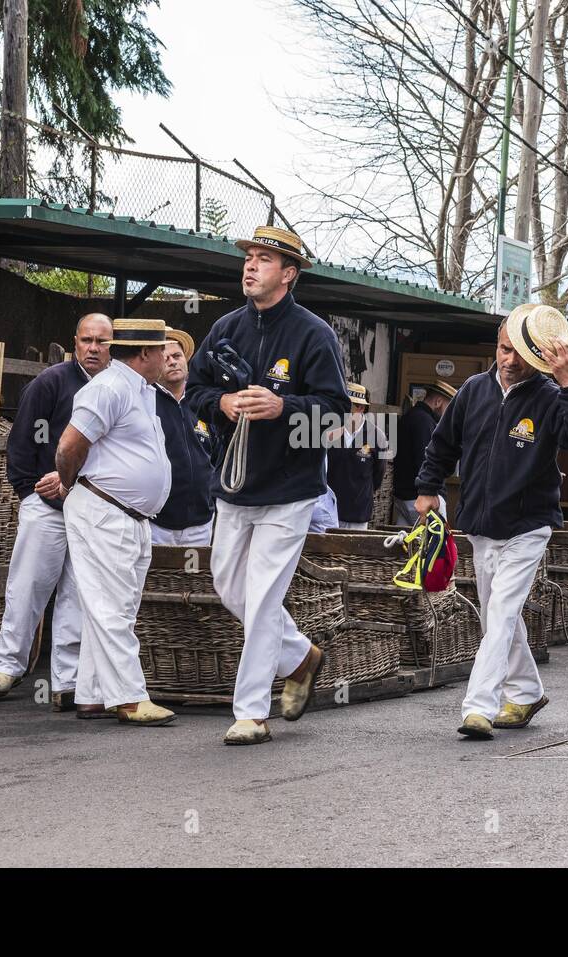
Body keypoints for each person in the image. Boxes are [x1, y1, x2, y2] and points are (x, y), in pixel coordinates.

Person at [186, 225, 350, 745]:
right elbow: (193, 391)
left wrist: (285, 407)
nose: (250, 266)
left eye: (263, 259)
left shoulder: (313, 334)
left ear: (289, 274)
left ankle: (250, 712)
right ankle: (301, 656)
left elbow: (336, 410)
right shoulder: (225, 328)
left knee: (260, 598)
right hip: (234, 485)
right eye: (249, 257)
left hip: (292, 488)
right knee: (228, 586)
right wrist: (223, 404)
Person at [414, 303, 568, 740]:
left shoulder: (553, 396)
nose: (508, 359)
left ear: (536, 356)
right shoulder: (473, 391)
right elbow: (442, 445)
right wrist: (427, 487)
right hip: (481, 523)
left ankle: (478, 706)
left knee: (499, 613)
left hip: (529, 524)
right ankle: (527, 690)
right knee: (498, 616)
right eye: (503, 349)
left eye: (518, 352)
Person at [0, 314, 114, 713]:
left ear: (114, 346)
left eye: (102, 342)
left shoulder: (118, 388)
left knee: (78, 594)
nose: (93, 348)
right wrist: (28, 493)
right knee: (27, 587)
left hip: (93, 510)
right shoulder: (51, 382)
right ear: (75, 342)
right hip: (48, 506)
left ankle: (68, 680)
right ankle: (7, 666)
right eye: (86, 340)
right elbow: (21, 441)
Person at [53, 318, 176, 727]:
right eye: (162, 349)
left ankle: (92, 694)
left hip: (127, 513)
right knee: (110, 607)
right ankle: (129, 697)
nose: (166, 356)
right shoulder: (108, 387)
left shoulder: (141, 391)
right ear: (145, 353)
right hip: (104, 508)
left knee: (114, 606)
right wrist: (72, 486)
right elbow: (69, 445)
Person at [152, 327, 220, 547]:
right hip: (157, 522)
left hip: (201, 522)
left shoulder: (202, 401)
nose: (173, 362)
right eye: (165, 358)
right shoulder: (145, 402)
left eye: (177, 356)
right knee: (156, 581)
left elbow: (217, 455)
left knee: (197, 581)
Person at [391, 380, 456, 526]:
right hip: (421, 497)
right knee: (433, 544)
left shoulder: (411, 417)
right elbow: (426, 461)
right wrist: (434, 492)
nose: (450, 415)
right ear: (438, 402)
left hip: (405, 496)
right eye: (449, 408)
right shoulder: (424, 422)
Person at [326, 383, 386, 530]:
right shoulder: (329, 431)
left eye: (348, 406)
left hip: (357, 513)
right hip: (327, 512)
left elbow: (379, 474)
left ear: (361, 408)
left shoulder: (378, 436)